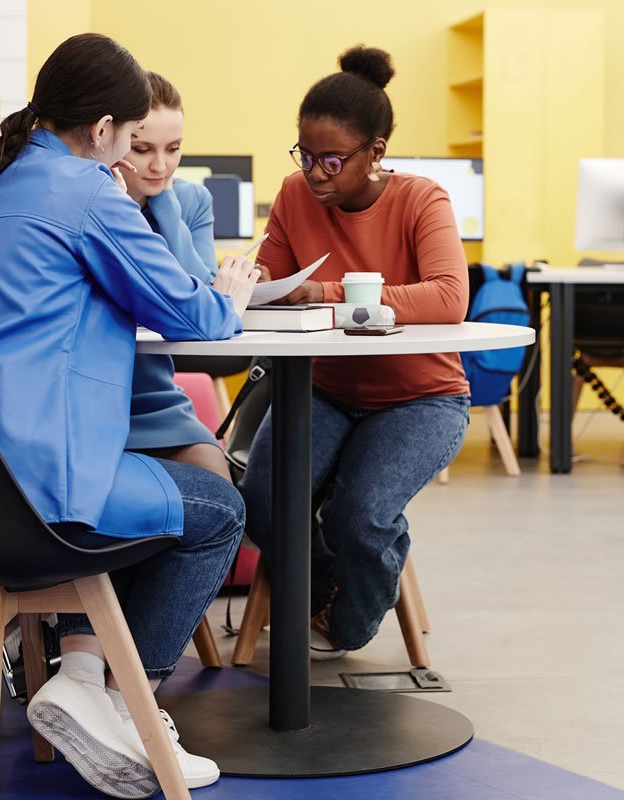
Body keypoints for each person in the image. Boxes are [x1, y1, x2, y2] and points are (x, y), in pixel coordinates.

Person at [0, 34, 259, 797]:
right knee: (218, 509)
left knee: (158, 482)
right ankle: (125, 706)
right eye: (132, 141)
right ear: (102, 131)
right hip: (36, 499)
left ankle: (85, 679)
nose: (136, 160)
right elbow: (188, 311)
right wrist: (231, 296)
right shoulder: (87, 190)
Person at [240, 46, 470, 660]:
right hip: (326, 390)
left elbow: (449, 298)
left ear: (376, 152)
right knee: (261, 502)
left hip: (422, 399)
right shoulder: (295, 196)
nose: (315, 173)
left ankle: (350, 623)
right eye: (306, 156)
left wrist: (328, 293)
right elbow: (274, 280)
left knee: (362, 516)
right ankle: (326, 594)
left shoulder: (423, 200)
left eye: (332, 160)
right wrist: (241, 280)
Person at [117, 72, 230, 480]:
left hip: (155, 395)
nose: (160, 165)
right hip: (102, 392)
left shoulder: (191, 199)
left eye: (174, 149)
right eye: (143, 149)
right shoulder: (93, 199)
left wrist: (165, 203)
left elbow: (199, 296)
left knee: (220, 485)